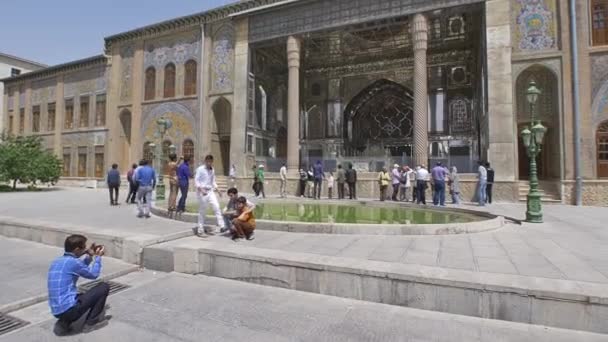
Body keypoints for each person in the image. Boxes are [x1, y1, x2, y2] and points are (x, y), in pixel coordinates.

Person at [48, 234, 109, 334]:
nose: (86, 248)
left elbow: (80, 268)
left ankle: (64, 323)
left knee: (80, 295)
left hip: (56, 310)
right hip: (68, 310)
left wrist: (89, 255)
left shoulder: (57, 261)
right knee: (104, 287)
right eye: (84, 247)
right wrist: (98, 257)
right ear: (76, 249)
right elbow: (94, 275)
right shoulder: (73, 262)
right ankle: (91, 324)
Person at [194, 155, 225, 236]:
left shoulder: (212, 170)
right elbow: (196, 180)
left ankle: (222, 226)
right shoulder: (200, 169)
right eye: (207, 161)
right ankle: (200, 230)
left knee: (216, 206)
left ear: (212, 162)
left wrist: (218, 190)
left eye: (210, 162)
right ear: (205, 161)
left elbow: (213, 181)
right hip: (202, 192)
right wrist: (201, 190)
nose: (209, 163)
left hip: (210, 191)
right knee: (202, 211)